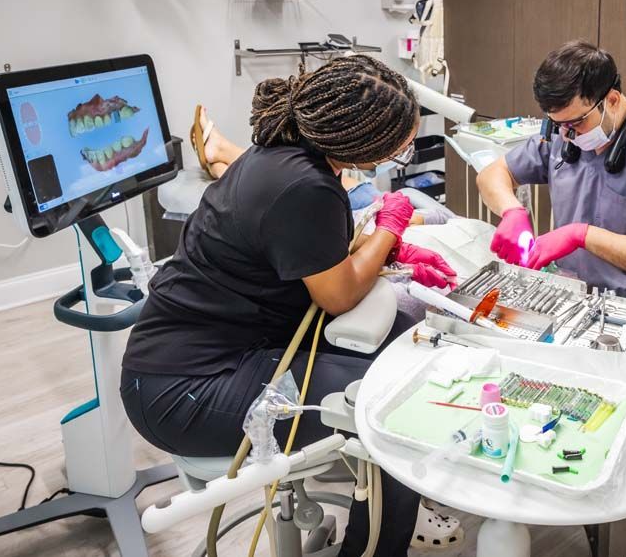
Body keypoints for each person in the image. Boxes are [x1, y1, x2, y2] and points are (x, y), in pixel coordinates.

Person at [120, 55, 457, 556]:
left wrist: (387, 248)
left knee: (407, 326)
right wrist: (388, 230)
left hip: (237, 342)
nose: (401, 152)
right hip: (184, 386)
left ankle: (394, 507)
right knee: (394, 408)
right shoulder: (303, 186)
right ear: (361, 139)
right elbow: (339, 294)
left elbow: (317, 255)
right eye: (398, 143)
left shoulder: (288, 153)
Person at [477, 40, 626, 310]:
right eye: (557, 124)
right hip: (575, 299)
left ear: (611, 100)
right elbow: (492, 174)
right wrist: (512, 211)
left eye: (576, 122)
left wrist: (581, 235)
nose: (566, 135)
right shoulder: (562, 136)